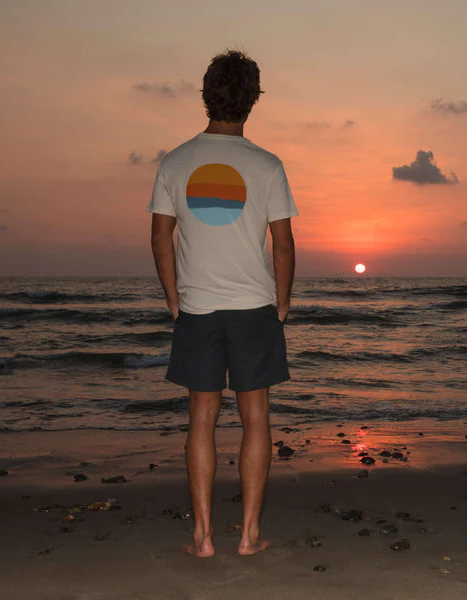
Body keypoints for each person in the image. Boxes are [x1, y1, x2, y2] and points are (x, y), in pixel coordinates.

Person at [147, 49, 297, 557]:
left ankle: (203, 536)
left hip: (198, 309)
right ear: (253, 99)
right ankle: (249, 536)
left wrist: (174, 299)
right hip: (254, 307)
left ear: (206, 94)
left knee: (201, 420)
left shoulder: (175, 161)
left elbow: (160, 239)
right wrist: (282, 304)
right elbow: (283, 244)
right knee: (257, 419)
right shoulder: (267, 165)